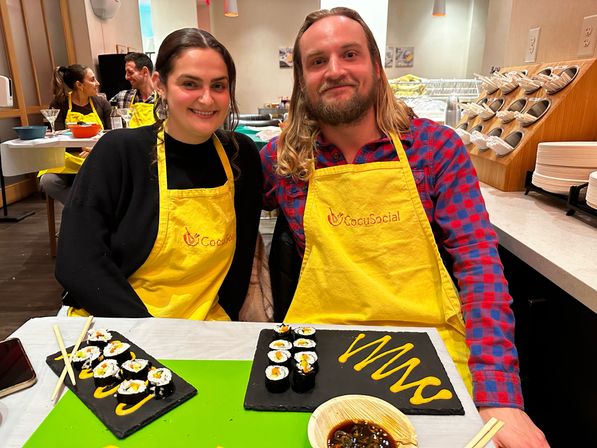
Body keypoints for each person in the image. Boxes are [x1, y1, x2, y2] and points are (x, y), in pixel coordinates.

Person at [261, 8, 548, 448]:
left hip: (429, 356)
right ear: (301, 80)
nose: (335, 71)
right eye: (317, 61)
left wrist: (499, 394)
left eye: (349, 54)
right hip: (318, 354)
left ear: (376, 67)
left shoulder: (436, 149)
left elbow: (479, 266)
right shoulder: (284, 161)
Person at [55, 28, 262, 321]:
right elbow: (77, 262)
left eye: (218, 86)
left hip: (206, 326)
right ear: (159, 84)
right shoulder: (119, 153)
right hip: (116, 324)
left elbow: (239, 262)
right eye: (190, 83)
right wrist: (151, 334)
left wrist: (223, 325)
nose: (206, 99)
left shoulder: (241, 156)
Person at [39, 64, 111, 204]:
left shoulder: (102, 104)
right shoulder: (59, 104)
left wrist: (95, 150)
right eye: (92, 79)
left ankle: (84, 209)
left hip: (96, 157)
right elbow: (56, 137)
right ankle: (83, 207)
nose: (97, 83)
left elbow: (112, 135)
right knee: (48, 181)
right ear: (79, 84)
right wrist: (79, 148)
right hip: (67, 159)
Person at [109, 52, 156, 127]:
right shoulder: (123, 97)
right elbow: (103, 108)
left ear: (144, 72)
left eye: (130, 72)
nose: (126, 77)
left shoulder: (163, 100)